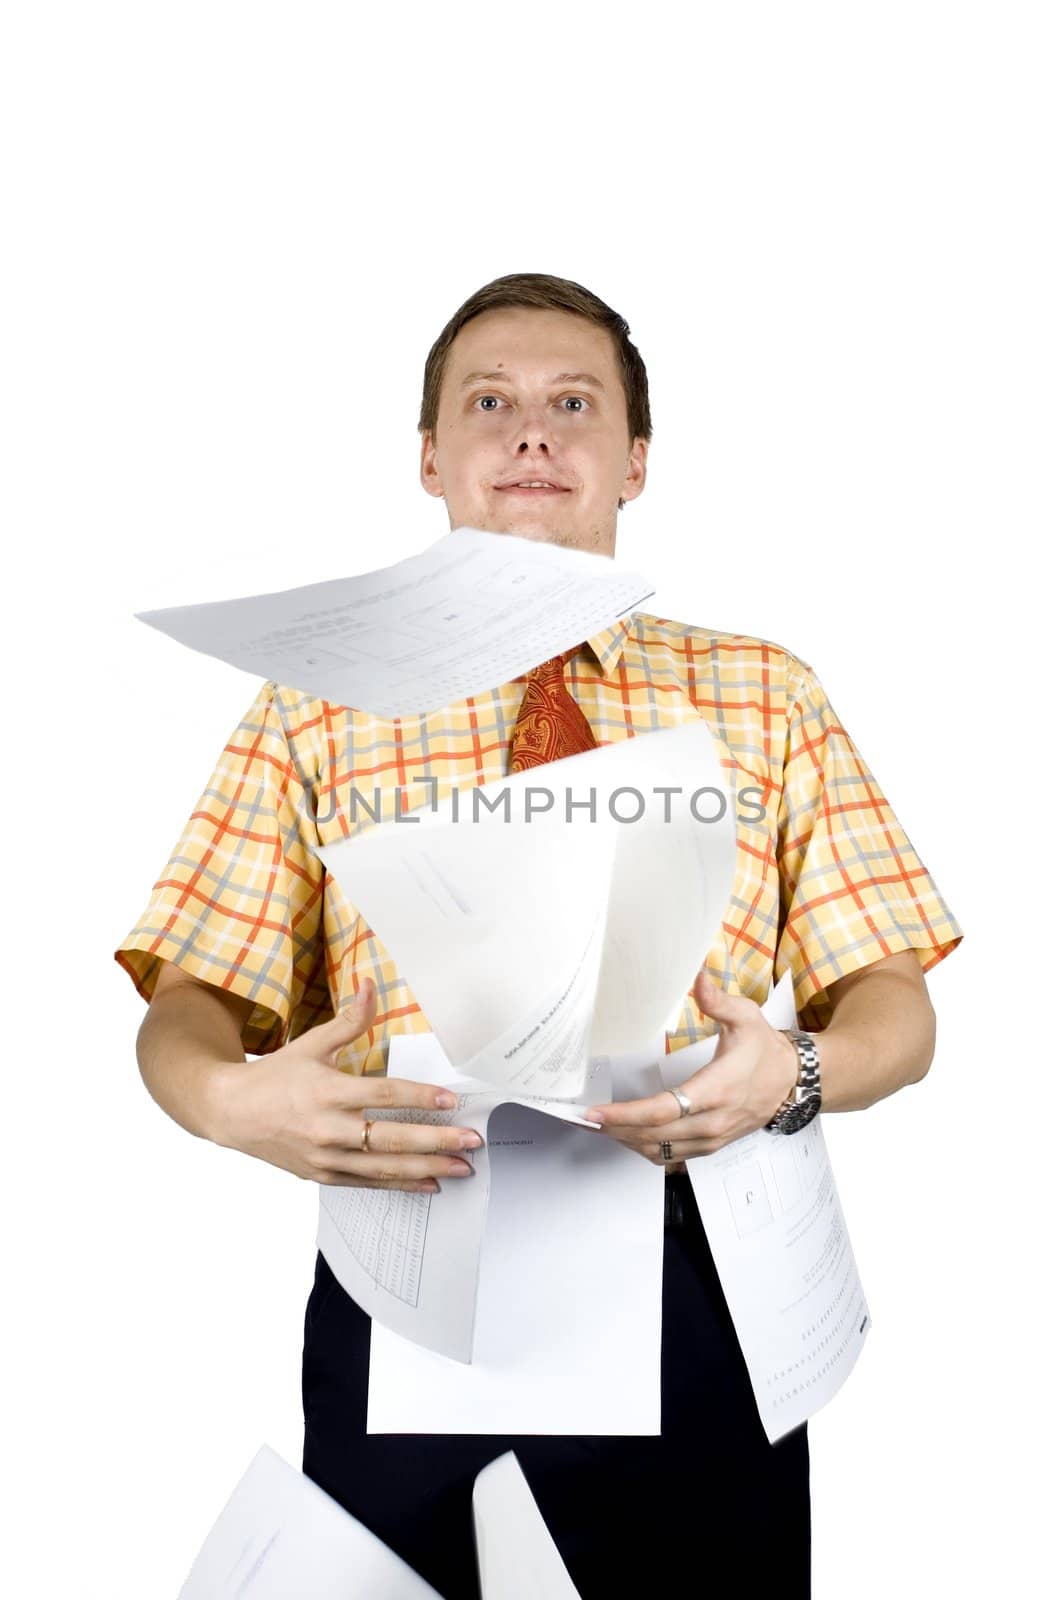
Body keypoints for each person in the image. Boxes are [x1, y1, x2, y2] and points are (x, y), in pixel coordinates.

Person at [115, 272, 963, 1598]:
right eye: (489, 403)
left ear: (633, 462)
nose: (530, 434)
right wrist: (229, 1100)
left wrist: (796, 1073)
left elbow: (894, 1006)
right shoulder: (316, 707)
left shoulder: (766, 693)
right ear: (429, 459)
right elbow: (191, 999)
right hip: (416, 1280)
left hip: (708, 1282)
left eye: (573, 404)